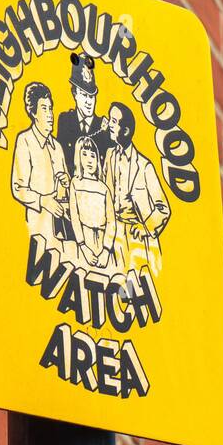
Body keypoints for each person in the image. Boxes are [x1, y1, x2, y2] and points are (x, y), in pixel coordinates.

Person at [102, 101, 171, 277]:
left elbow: (163, 209)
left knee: (137, 286)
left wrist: (146, 227)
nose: (110, 124)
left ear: (125, 131)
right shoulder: (109, 156)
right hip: (113, 235)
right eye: (110, 119)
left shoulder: (144, 166)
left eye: (114, 121)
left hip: (137, 240)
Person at [10, 82, 69, 251]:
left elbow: (66, 189)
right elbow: (18, 188)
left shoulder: (57, 147)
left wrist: (67, 182)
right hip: (37, 224)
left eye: (50, 108)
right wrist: (44, 201)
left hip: (61, 226)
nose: (50, 114)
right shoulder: (25, 141)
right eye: (44, 108)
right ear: (33, 112)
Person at [55, 53, 109, 176]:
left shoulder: (103, 126)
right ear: (74, 94)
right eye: (84, 95)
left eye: (91, 96)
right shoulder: (64, 120)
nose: (89, 102)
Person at [68, 135, 116, 271]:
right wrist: (83, 246)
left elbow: (111, 221)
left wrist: (106, 251)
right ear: (78, 157)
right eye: (84, 155)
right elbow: (75, 218)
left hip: (103, 241)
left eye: (93, 155)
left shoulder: (103, 188)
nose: (89, 160)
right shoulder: (76, 183)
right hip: (84, 240)